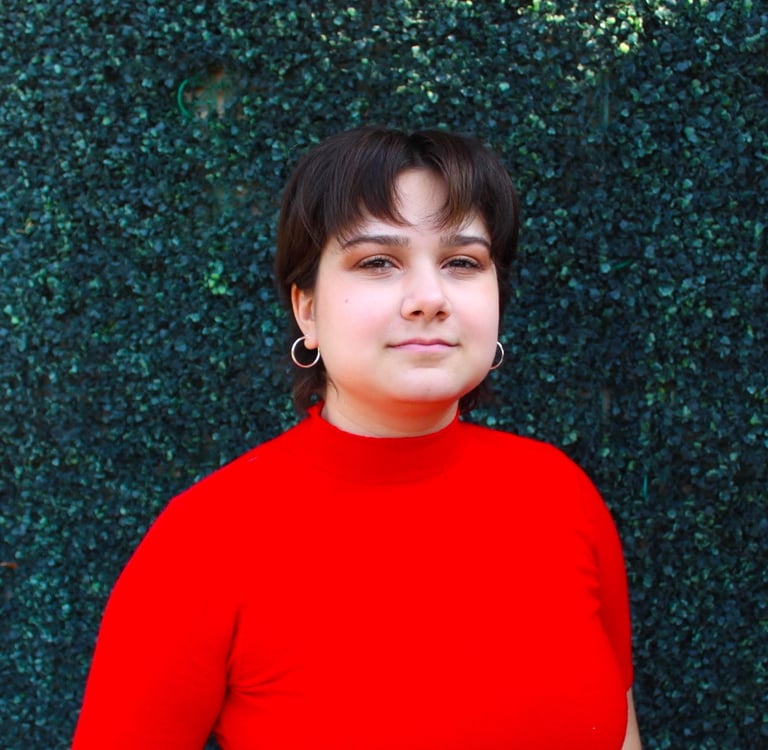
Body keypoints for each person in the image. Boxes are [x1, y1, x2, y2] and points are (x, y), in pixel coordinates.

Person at [72, 126, 642, 749]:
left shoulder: (560, 495)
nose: (429, 298)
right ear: (307, 310)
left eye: (462, 262)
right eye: (377, 262)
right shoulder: (203, 543)